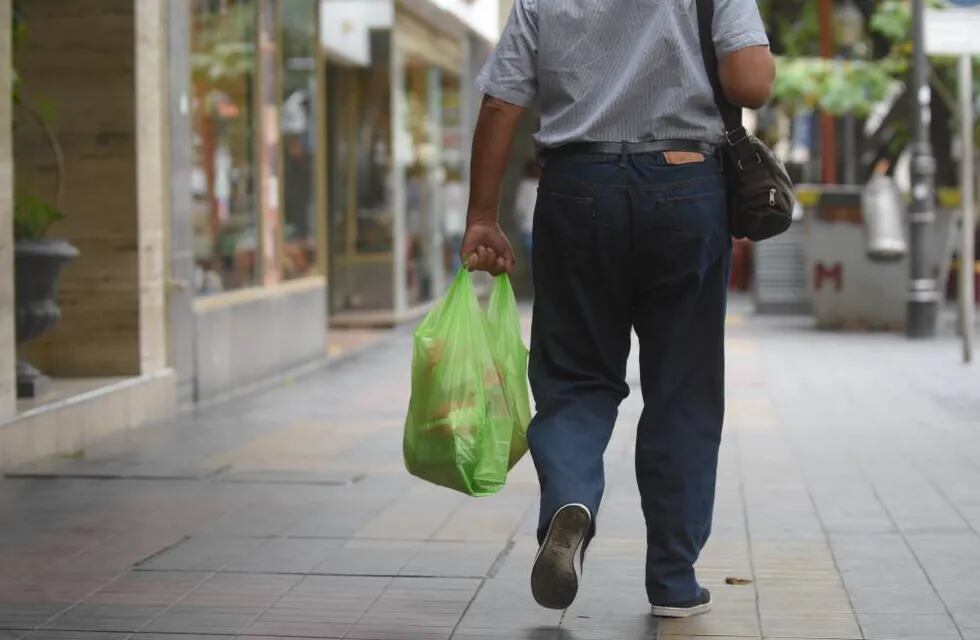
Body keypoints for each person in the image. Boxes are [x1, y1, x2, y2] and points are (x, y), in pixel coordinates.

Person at [458, 0, 775, 619]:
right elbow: (751, 81)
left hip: (577, 187)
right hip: (686, 183)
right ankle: (674, 582)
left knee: (575, 377)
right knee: (683, 387)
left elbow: (501, 103)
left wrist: (481, 215)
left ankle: (570, 503)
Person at [514, 160, 541, 265]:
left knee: (532, 260)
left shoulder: (524, 185)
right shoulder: (544, 185)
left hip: (527, 228)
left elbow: (519, 208)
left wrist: (520, 223)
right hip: (539, 229)